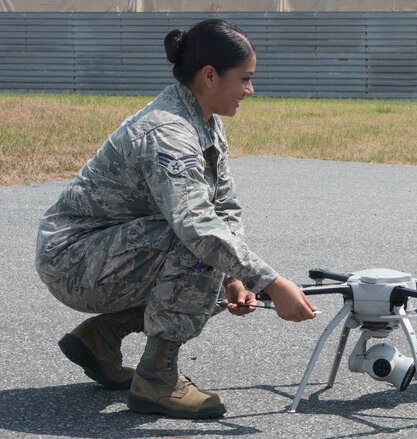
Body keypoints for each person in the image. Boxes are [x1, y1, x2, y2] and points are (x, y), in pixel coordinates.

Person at [35, 19, 318, 419]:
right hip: (73, 261)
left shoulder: (204, 120)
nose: (250, 90)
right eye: (245, 79)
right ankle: (157, 380)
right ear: (209, 76)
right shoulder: (168, 132)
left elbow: (224, 207)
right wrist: (271, 282)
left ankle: (102, 337)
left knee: (218, 263)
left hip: (110, 252)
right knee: (200, 248)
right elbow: (198, 226)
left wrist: (237, 280)